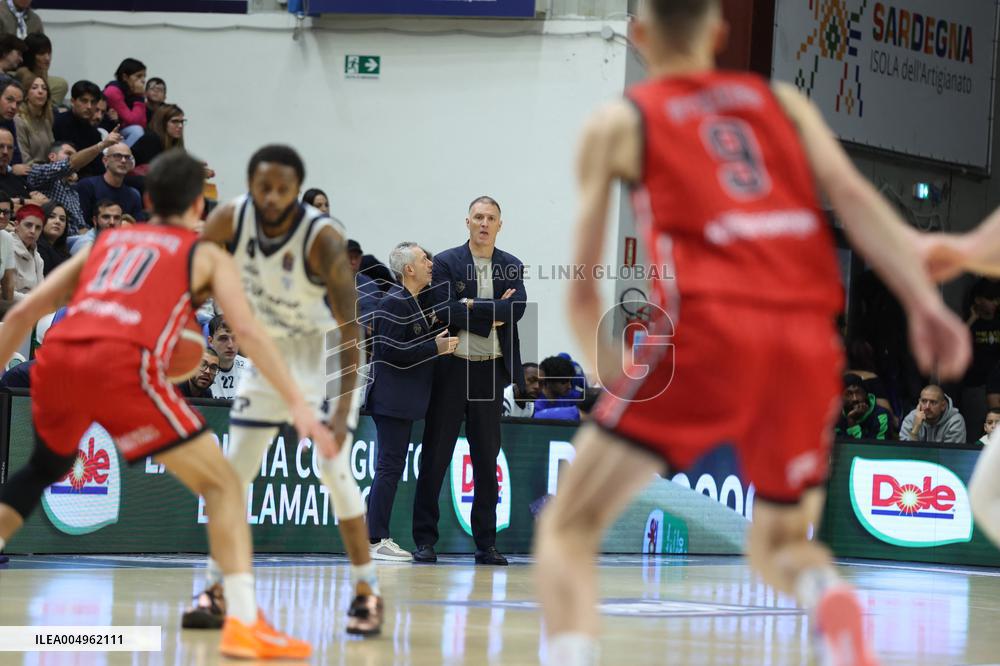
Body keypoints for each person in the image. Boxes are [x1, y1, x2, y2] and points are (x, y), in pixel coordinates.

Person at [532, 3, 971, 666]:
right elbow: (855, 201)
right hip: (805, 338)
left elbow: (583, 290)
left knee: (567, 528)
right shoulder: (783, 104)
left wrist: (608, 374)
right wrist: (924, 303)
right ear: (718, 33)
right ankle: (828, 597)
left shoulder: (620, 122)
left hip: (708, 331)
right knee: (780, 545)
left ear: (639, 35)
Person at [0, 150, 329, 658]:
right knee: (223, 484)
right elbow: (248, 334)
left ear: (148, 198)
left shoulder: (107, 242)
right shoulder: (205, 254)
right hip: (120, 365)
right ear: (198, 205)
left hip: (60, 359)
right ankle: (242, 622)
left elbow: (22, 314)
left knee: (46, 466)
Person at [191, 144, 384, 635]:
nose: (273, 197)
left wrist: (340, 414)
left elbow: (351, 331)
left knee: (335, 473)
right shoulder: (228, 220)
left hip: (324, 356)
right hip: (267, 355)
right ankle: (213, 588)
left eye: (283, 189)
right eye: (264, 188)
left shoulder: (322, 238)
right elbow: (192, 284)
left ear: (297, 190)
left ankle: (367, 591)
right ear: (250, 186)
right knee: (233, 477)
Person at [412, 195, 526, 567]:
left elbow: (517, 309)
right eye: (478, 217)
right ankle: (425, 541)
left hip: (490, 372)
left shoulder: (511, 265)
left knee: (486, 461)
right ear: (467, 222)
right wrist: (491, 314)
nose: (484, 223)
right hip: (452, 369)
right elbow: (444, 309)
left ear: (499, 225)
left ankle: (486, 545)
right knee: (435, 456)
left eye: (490, 218)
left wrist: (472, 306)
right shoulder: (447, 261)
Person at [365, 242, 458, 562]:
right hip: (391, 399)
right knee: (388, 468)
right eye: (424, 259)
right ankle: (375, 539)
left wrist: (432, 339)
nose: (430, 263)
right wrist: (435, 348)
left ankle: (375, 536)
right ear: (408, 269)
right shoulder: (394, 302)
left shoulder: (410, 302)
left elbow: (407, 343)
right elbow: (390, 351)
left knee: (390, 467)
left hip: (401, 401)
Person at [27, 129, 124, 234]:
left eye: (75, 155)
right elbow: (69, 164)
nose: (76, 158)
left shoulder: (72, 190)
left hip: (78, 238)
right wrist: (102, 145)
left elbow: (81, 225)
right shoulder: (38, 172)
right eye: (68, 153)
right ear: (52, 156)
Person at [75, 142, 143, 222]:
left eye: (127, 157)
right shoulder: (87, 186)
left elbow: (137, 225)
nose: (123, 160)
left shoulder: (134, 194)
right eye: (117, 156)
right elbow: (80, 223)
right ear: (105, 160)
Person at [52, 80, 104, 178]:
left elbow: (98, 168)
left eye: (93, 102)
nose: (89, 106)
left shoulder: (94, 133)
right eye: (84, 101)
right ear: (73, 101)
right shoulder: (58, 123)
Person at [899, 384, 967, 443]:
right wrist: (915, 430)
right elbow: (905, 452)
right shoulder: (911, 419)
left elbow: (951, 453)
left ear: (943, 406)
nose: (927, 407)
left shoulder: (955, 422)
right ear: (919, 402)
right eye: (924, 401)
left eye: (933, 402)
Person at [15, 33, 67, 107]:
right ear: (30, 55)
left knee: (61, 84)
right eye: (41, 53)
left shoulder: (44, 72)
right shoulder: (23, 73)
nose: (47, 58)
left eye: (49, 53)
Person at [103, 58, 146, 147]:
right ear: (125, 77)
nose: (143, 80)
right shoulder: (113, 91)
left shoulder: (131, 93)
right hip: (106, 131)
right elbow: (131, 121)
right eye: (138, 76)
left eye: (144, 76)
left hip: (119, 131)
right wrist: (139, 97)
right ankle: (120, 153)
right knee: (137, 131)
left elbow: (142, 123)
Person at [834, 374, 891, 440]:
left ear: (866, 394)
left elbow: (874, 446)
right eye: (849, 394)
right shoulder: (834, 417)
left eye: (858, 392)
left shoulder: (881, 416)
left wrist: (852, 423)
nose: (855, 399)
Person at [4, 202, 41, 300]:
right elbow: (4, 293)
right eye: (28, 225)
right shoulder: (4, 246)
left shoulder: (38, 258)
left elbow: (42, 292)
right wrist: (33, 300)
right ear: (16, 225)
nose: (33, 231)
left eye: (38, 227)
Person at [131, 103, 185, 170]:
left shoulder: (175, 143)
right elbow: (153, 171)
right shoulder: (151, 139)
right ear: (162, 123)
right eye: (175, 121)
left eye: (182, 122)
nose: (180, 126)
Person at [207, 314, 247, 400]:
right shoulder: (198, 371)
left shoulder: (251, 368)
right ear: (210, 341)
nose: (230, 345)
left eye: (235, 338)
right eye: (223, 338)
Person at [13, 71, 49, 166]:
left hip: (46, 169)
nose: (40, 91)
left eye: (44, 88)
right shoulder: (19, 120)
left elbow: (51, 152)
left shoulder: (45, 121)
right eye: (34, 87)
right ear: (26, 94)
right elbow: (24, 158)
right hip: (29, 170)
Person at [36, 201, 67, 275]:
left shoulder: (64, 252)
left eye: (62, 219)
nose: (57, 221)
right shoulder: (37, 248)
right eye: (51, 216)